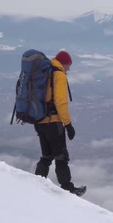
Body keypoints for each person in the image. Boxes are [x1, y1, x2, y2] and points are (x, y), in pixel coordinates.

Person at [34, 50, 86, 196]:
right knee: (61, 156)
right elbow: (61, 102)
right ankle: (68, 189)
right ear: (64, 63)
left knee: (46, 156)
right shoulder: (58, 74)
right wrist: (68, 124)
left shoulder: (46, 71)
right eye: (68, 65)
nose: (68, 69)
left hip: (39, 120)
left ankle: (35, 183)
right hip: (53, 122)